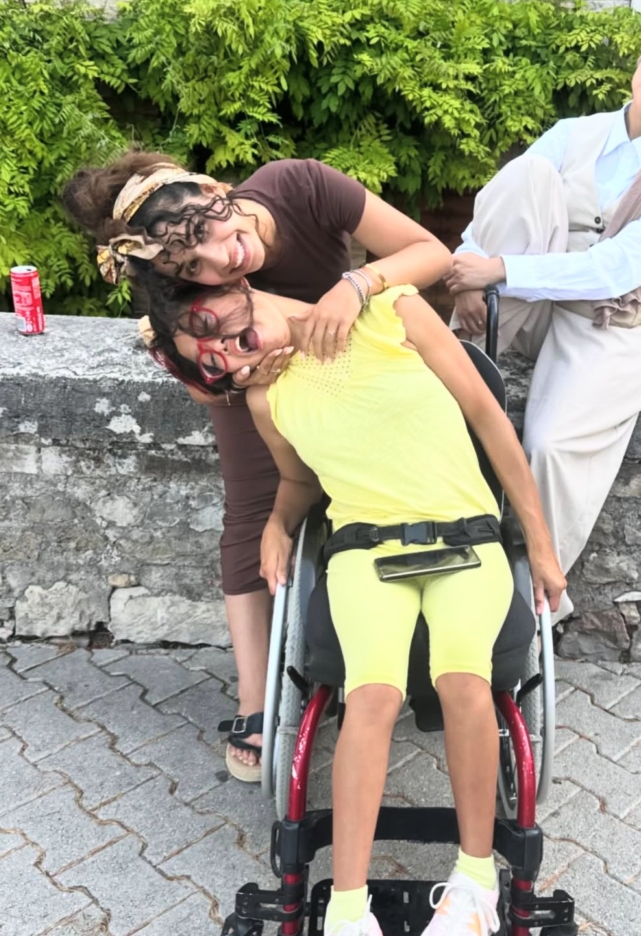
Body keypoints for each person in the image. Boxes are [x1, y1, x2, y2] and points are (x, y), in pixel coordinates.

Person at [141, 267, 565, 936]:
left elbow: (487, 415)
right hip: (366, 552)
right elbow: (300, 481)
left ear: (234, 291)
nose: (227, 356)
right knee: (371, 697)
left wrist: (537, 538)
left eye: (213, 331)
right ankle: (346, 925)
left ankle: (475, 886)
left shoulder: (391, 312)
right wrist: (278, 522)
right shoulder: (268, 398)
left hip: (466, 539)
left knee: (465, 682)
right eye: (212, 365)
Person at [63, 154, 451, 780]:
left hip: (356, 344)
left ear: (214, 191)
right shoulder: (175, 271)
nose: (218, 261)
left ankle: (389, 646)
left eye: (205, 233)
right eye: (191, 267)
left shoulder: (301, 186)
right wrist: (238, 380)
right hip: (259, 368)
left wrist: (352, 286)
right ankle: (257, 699)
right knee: (250, 508)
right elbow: (197, 378)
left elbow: (431, 252)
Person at [444, 56, 641, 625]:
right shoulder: (575, 134)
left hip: (611, 319)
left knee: (551, 446)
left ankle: (523, 614)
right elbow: (494, 212)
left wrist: (500, 270)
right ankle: (454, 360)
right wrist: (470, 272)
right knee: (527, 175)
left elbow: (616, 267)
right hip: (525, 303)